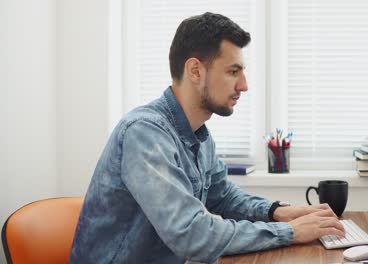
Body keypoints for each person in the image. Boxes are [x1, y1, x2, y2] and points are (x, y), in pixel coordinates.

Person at [70, 12, 345, 264]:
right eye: (233, 71)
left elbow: (222, 199)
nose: (244, 85)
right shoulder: (144, 134)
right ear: (195, 71)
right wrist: (288, 232)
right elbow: (192, 235)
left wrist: (276, 211)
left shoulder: (199, 134)